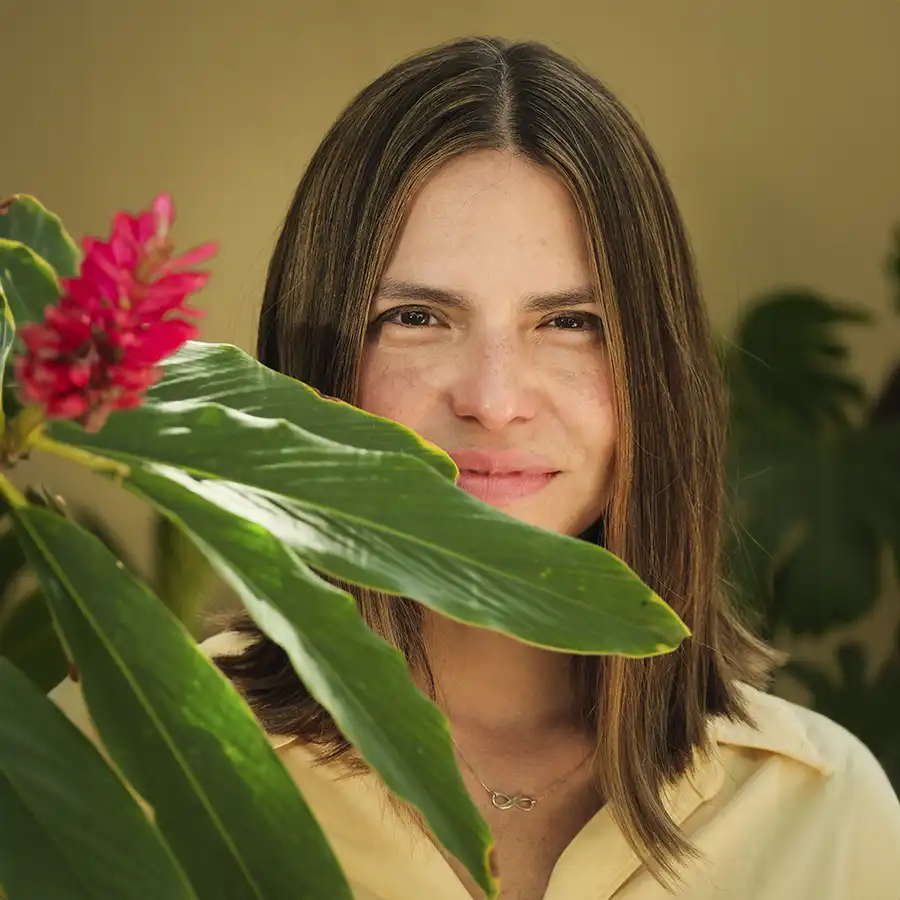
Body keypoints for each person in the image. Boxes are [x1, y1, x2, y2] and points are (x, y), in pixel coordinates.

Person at [57, 35, 900, 900]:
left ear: (657, 368)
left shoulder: (831, 815)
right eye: (417, 316)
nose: (494, 401)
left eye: (572, 321)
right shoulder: (117, 757)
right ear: (315, 365)